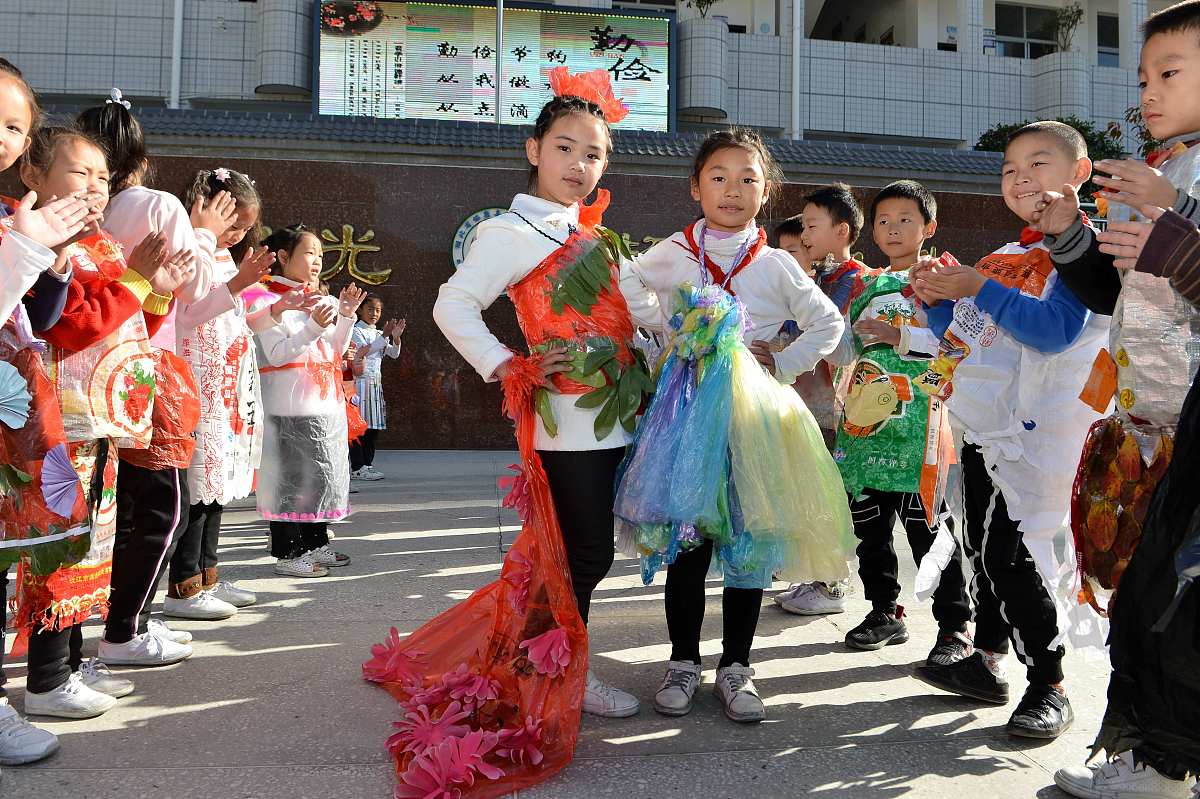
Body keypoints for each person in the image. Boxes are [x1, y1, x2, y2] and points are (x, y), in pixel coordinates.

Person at [365, 68, 659, 798]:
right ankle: (555, 677)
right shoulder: (511, 228)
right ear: (534, 149)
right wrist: (510, 365)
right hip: (566, 425)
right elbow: (453, 304)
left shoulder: (585, 230)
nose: (580, 165)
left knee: (577, 554)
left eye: (594, 154)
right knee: (577, 554)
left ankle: (554, 664)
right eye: (565, 148)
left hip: (613, 416)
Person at [621, 127, 852, 723]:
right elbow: (629, 285)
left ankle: (737, 667)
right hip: (687, 423)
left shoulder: (776, 264)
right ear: (696, 186)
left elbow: (828, 326)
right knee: (689, 547)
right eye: (718, 177)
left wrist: (785, 363)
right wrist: (667, 330)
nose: (732, 190)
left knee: (749, 547)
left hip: (757, 425)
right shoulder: (671, 251)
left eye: (748, 179)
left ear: (766, 190)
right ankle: (681, 662)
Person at [1044, 3, 1200, 794]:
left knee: (1169, 603)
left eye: (1170, 72)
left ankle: (1164, 762)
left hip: (1191, 426)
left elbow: (1182, 263)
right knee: (1140, 597)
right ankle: (1151, 760)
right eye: (1142, 76)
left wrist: (1177, 227)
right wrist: (1071, 232)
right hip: (1149, 422)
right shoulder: (1166, 167)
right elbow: (1121, 292)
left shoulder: (1179, 182)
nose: (1148, 90)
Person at [910, 121, 1108, 740]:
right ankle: (990, 661)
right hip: (987, 428)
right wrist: (936, 298)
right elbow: (971, 332)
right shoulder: (1010, 254)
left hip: (1044, 439)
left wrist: (975, 285)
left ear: (1079, 175)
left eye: (1038, 164)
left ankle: (1049, 684)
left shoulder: (1085, 253)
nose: (1021, 178)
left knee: (1014, 554)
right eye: (1009, 169)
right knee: (987, 551)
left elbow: (1052, 331)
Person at [14, 124, 193, 717]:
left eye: (101, 177)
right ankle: (46, 677)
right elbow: (72, 323)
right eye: (78, 173)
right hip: (69, 420)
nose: (94, 187)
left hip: (101, 421)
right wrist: (141, 282)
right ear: (33, 176)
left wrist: (156, 288)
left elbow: (125, 314)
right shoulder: (42, 244)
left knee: (92, 545)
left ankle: (69, 664)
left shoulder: (98, 243)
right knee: (62, 547)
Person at [76, 91, 236, 661]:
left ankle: (114, 628)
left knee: (104, 509)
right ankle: (126, 628)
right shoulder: (156, 203)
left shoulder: (71, 208)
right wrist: (206, 234)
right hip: (143, 365)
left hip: (81, 366)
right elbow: (190, 293)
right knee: (158, 505)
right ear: (139, 159)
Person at [0, 60, 96, 770]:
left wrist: (49, 268)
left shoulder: (12, 220)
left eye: (13, 126)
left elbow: (32, 319)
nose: (2, 136)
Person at [831, 180, 972, 665]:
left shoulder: (944, 277)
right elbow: (847, 349)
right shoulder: (865, 283)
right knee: (869, 526)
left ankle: (955, 628)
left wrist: (898, 336)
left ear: (928, 227)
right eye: (884, 221)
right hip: (866, 427)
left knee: (927, 529)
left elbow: (959, 345)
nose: (893, 229)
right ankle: (884, 611)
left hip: (919, 427)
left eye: (905, 219)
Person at [169, 168, 272, 619]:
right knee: (195, 490)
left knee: (214, 490)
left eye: (245, 227)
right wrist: (234, 286)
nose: (237, 234)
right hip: (195, 385)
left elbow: (233, 319)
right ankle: (184, 585)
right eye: (232, 223)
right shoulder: (190, 246)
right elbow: (188, 315)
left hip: (223, 388)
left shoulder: (227, 258)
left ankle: (208, 573)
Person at [773, 183, 870, 616]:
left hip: (835, 407)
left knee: (830, 495)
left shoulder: (854, 281)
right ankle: (815, 576)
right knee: (807, 491)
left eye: (812, 226)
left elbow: (845, 349)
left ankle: (832, 585)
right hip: (810, 404)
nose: (805, 235)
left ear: (842, 231)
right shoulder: (825, 277)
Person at [255, 226, 360, 577]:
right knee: (288, 480)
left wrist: (344, 314)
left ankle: (316, 543)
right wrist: (313, 326)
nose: (316, 262)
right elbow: (276, 352)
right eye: (308, 253)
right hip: (286, 404)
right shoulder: (266, 298)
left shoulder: (320, 299)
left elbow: (337, 350)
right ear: (284, 257)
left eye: (319, 254)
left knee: (318, 477)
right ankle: (288, 552)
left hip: (322, 403)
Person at [349, 294, 404, 480]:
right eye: (370, 309)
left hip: (375, 385)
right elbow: (364, 350)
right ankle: (357, 466)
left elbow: (394, 354)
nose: (374, 313)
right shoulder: (356, 330)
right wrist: (386, 336)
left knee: (373, 427)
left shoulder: (379, 333)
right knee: (359, 427)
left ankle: (368, 464)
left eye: (378, 310)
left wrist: (395, 338)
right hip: (360, 385)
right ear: (360, 310)